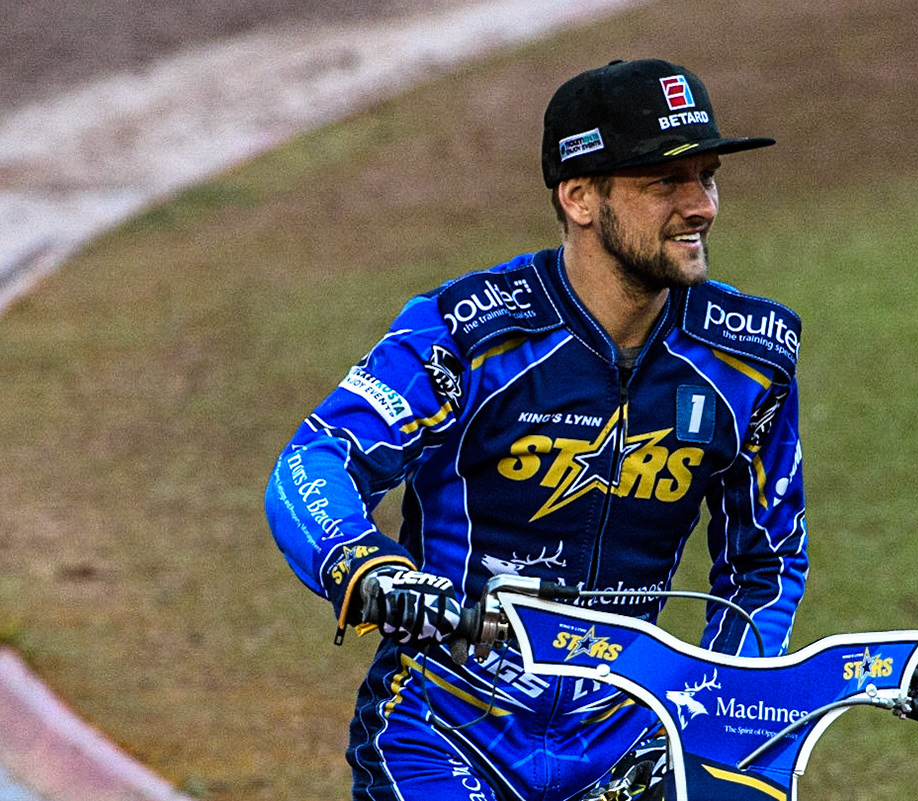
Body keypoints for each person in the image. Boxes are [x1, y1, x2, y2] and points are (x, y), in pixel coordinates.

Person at [265, 58, 808, 801]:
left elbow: (766, 564)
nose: (701, 206)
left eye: (707, 177)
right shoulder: (466, 331)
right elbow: (315, 460)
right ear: (579, 197)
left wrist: (714, 717)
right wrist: (369, 569)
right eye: (665, 182)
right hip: (441, 733)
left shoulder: (750, 356)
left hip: (626, 745)